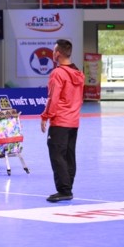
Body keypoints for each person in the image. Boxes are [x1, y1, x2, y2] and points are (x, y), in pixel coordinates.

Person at [41, 39, 85, 203]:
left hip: (60, 121)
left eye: (53, 51)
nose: (52, 53)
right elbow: (79, 98)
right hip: (73, 121)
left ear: (58, 53)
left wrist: (45, 116)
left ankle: (64, 190)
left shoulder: (57, 73)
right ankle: (68, 188)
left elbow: (53, 99)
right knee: (69, 155)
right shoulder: (78, 73)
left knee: (57, 155)